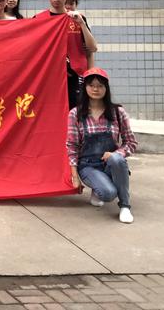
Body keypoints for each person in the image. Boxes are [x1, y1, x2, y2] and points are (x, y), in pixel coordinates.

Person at [66, 67, 137, 224]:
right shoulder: (75, 114)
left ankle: (125, 206)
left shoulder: (118, 112)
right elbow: (72, 146)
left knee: (117, 160)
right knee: (108, 193)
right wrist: (74, 176)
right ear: (85, 88)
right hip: (88, 166)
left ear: (106, 88)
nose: (95, 89)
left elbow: (131, 142)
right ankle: (99, 188)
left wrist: (116, 153)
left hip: (110, 164)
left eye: (100, 85)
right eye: (91, 85)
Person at [35, 0, 98, 108]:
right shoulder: (38, 19)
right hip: (49, 77)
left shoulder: (77, 18)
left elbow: (93, 48)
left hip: (76, 76)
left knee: (75, 114)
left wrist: (81, 23)